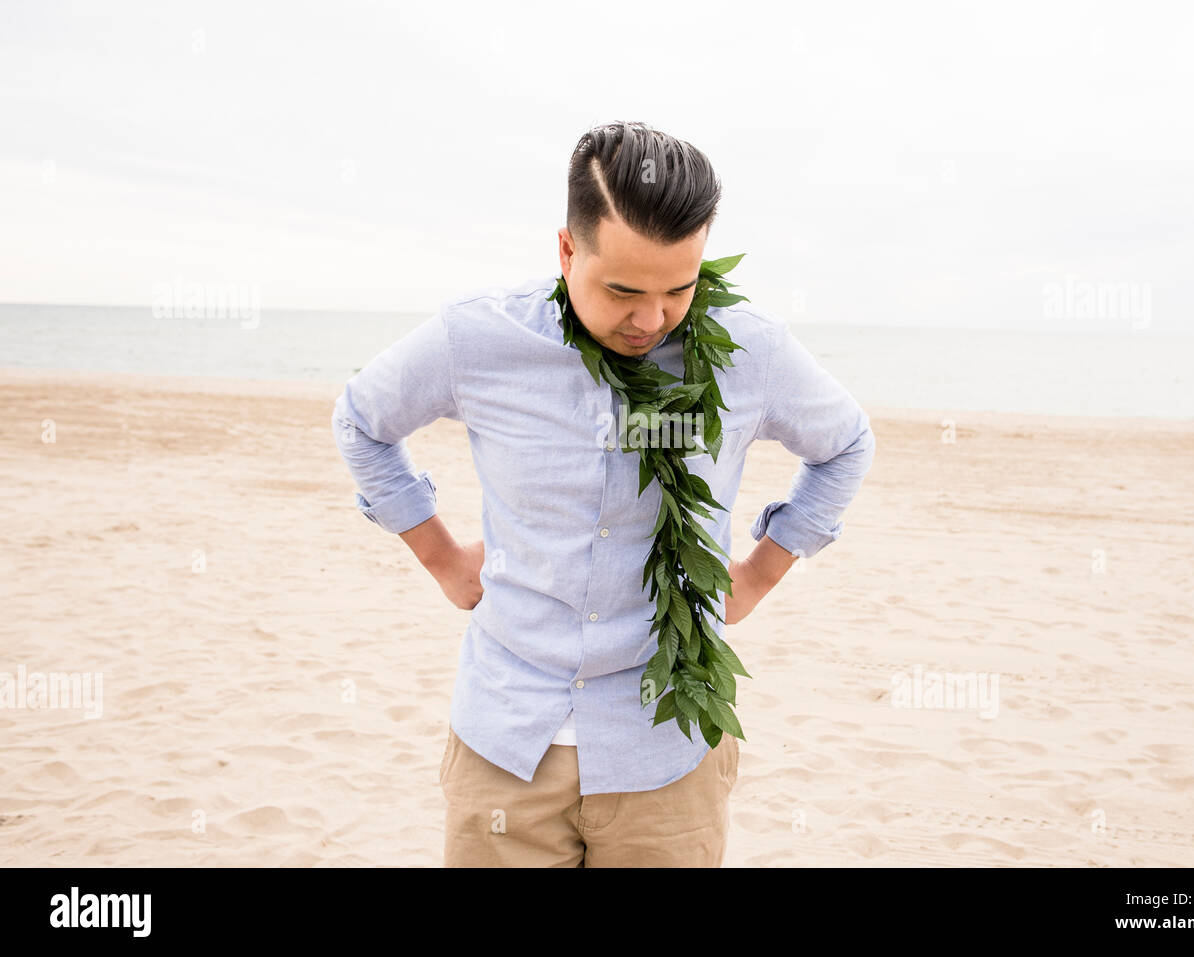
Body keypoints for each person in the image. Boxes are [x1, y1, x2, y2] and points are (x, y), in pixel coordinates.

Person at [331, 120, 875, 867]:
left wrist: (755, 577)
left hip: (667, 753)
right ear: (566, 250)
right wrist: (445, 560)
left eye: (677, 289)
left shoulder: (752, 351)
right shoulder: (479, 339)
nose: (650, 320)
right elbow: (362, 421)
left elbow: (846, 443)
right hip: (505, 739)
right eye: (623, 289)